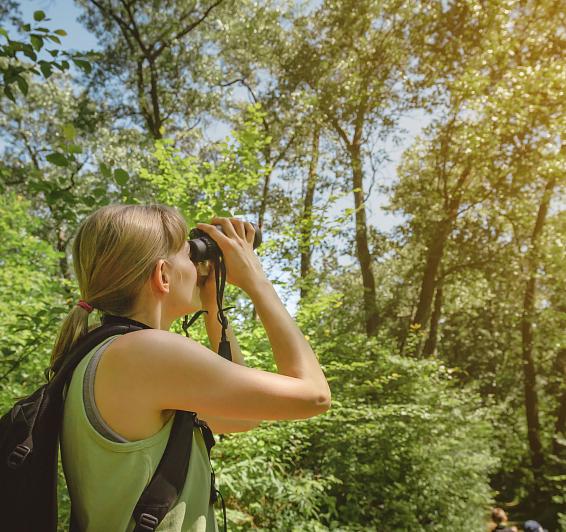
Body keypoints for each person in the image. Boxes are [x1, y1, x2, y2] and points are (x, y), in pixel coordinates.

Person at [54, 204, 332, 531]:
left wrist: (213, 304)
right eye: (189, 255)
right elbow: (315, 396)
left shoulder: (106, 352)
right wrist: (257, 282)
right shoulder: (145, 352)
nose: (198, 266)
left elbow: (241, 418)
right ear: (163, 275)